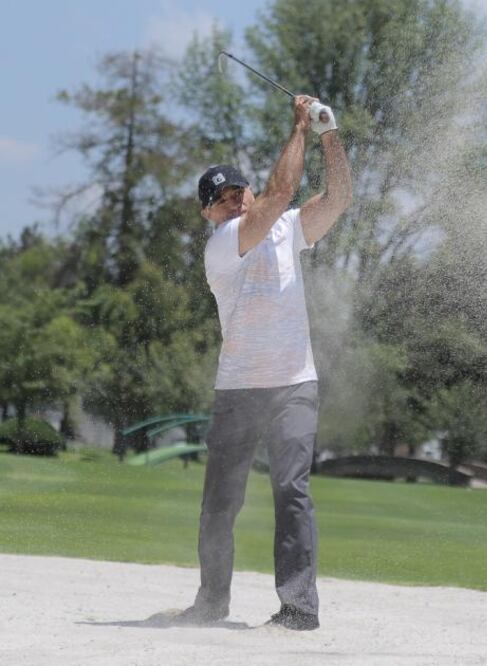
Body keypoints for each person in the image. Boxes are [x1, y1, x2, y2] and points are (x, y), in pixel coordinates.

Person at [175, 94, 351, 630]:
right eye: (223, 199)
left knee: (292, 491)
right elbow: (281, 192)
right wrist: (298, 125)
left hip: (295, 382)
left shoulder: (287, 228)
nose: (234, 201)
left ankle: (298, 609)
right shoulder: (224, 244)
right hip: (240, 388)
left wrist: (328, 133)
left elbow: (339, 198)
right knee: (220, 503)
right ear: (210, 213)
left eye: (238, 191)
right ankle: (211, 603)